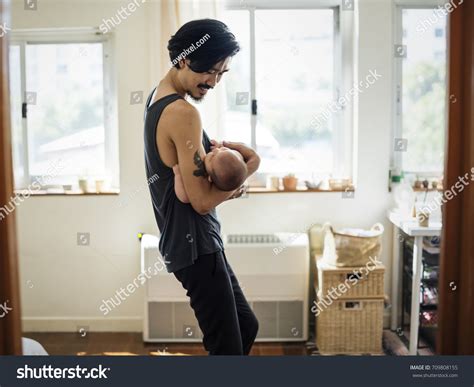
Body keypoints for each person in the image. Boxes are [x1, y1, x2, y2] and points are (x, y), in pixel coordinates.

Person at [143, 18, 260, 355]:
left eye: (221, 74)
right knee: (226, 348)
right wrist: (248, 171)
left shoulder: (158, 97)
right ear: (183, 58)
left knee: (246, 325)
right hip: (194, 246)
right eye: (209, 71)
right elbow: (201, 202)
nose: (213, 81)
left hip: (197, 242)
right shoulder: (182, 112)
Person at [173, 142, 248, 203]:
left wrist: (178, 175)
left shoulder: (204, 187)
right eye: (224, 150)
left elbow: (185, 198)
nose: (215, 150)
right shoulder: (216, 166)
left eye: (212, 157)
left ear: (210, 178)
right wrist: (218, 146)